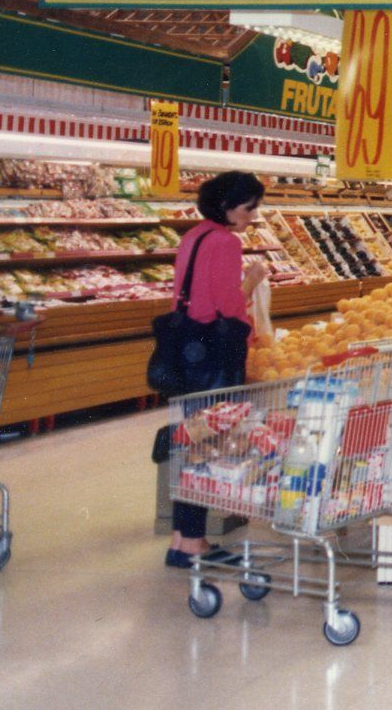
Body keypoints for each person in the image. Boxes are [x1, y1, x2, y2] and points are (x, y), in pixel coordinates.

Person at [165, 171, 268, 569]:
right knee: (208, 445)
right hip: (213, 351)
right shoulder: (226, 242)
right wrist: (253, 280)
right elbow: (230, 306)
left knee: (190, 440)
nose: (253, 215)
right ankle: (194, 544)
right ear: (227, 206)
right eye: (249, 207)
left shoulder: (194, 236)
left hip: (186, 347)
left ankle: (183, 538)